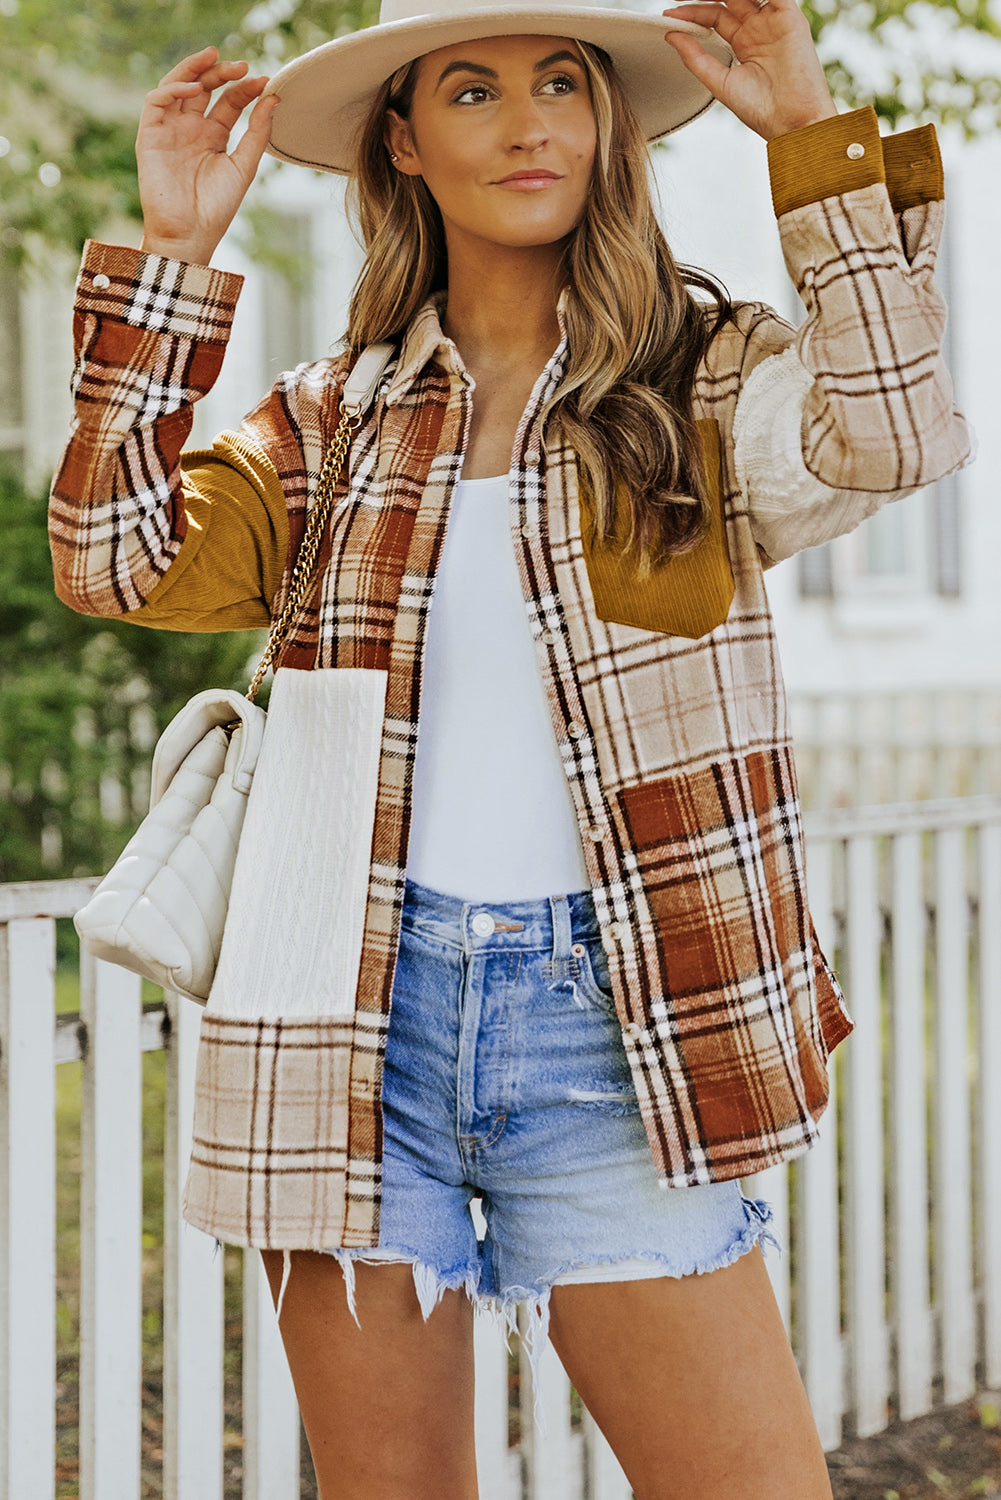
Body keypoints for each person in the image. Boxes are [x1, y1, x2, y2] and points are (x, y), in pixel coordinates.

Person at [48, 0, 972, 1494]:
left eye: (562, 84)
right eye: (472, 90)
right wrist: (175, 258)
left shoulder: (703, 384)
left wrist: (805, 127)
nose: (529, 119)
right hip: (349, 1022)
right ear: (404, 144)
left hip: (613, 1027)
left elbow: (898, 432)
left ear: (606, 128)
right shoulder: (324, 427)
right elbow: (112, 560)